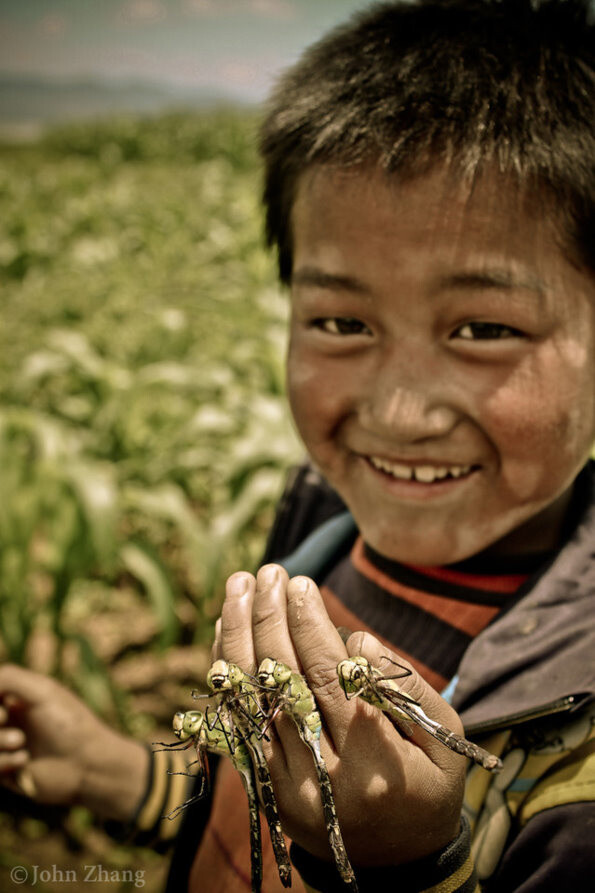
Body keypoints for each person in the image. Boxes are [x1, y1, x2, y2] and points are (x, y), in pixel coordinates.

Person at [2, 0, 595, 890]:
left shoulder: (573, 782)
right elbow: (258, 811)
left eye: (481, 327)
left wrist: (399, 864)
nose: (398, 411)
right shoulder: (316, 552)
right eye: (341, 320)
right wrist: (118, 775)